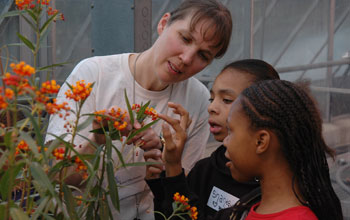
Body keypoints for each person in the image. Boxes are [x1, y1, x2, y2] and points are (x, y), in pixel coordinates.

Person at [45, 0, 232, 219]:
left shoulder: (198, 99)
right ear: (163, 24)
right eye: (185, 38)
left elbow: (181, 201)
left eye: (203, 55)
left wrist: (166, 163)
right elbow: (58, 178)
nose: (187, 58)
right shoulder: (93, 74)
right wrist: (98, 138)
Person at [155, 79, 344, 219]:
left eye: (232, 131)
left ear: (261, 141)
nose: (226, 142)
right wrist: (172, 164)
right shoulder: (245, 209)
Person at [144, 59, 280, 220]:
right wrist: (162, 182)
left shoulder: (273, 192)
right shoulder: (205, 170)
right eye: (211, 99)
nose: (211, 108)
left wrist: (174, 169)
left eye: (227, 100)